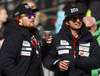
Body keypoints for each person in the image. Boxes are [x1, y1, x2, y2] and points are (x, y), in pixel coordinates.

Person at [43, 6, 100, 76]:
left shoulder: (90, 38)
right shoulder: (57, 38)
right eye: (74, 19)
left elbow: (97, 61)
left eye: (80, 18)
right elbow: (47, 59)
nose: (78, 21)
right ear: (67, 22)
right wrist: (58, 64)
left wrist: (77, 59)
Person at [0, 3, 53, 76]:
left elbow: (38, 58)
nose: (32, 18)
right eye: (28, 15)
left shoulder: (32, 35)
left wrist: (46, 45)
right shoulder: (14, 36)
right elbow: (5, 63)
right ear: (19, 19)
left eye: (33, 15)